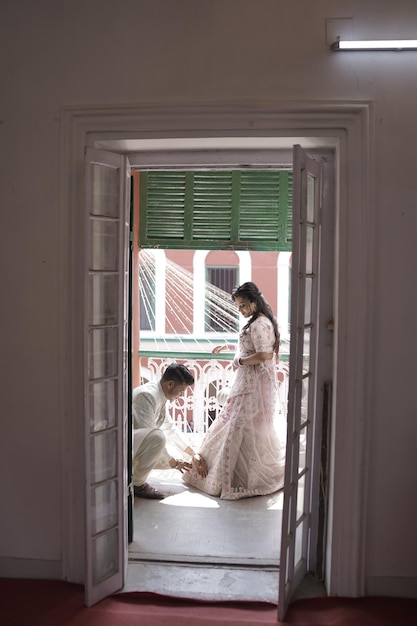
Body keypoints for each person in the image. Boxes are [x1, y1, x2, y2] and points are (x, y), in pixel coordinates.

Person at [183, 282, 286, 500]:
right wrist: (229, 348)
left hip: (252, 385)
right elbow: (250, 347)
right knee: (241, 428)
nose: (241, 310)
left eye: (243, 305)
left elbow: (264, 355)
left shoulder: (259, 324)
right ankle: (235, 477)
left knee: (239, 426)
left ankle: (238, 479)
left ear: (254, 302)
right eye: (238, 306)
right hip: (248, 383)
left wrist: (238, 361)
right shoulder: (258, 322)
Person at [132, 362, 206, 499]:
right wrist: (174, 462)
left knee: (162, 441)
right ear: (170, 384)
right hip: (120, 447)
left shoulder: (160, 395)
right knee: (158, 438)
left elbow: (169, 428)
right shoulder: (147, 396)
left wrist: (192, 453)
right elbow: (150, 435)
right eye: (181, 391)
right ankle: (137, 484)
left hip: (133, 443)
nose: (181, 395)